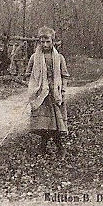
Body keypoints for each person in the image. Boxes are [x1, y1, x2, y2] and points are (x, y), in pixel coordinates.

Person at [26, 26, 71, 158]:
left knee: (56, 122)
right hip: (41, 94)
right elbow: (29, 74)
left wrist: (62, 91)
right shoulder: (34, 58)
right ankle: (43, 148)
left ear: (53, 41)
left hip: (54, 93)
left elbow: (64, 76)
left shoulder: (59, 58)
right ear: (39, 42)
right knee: (44, 124)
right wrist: (33, 88)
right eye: (42, 42)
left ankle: (60, 148)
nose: (45, 45)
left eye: (48, 41)